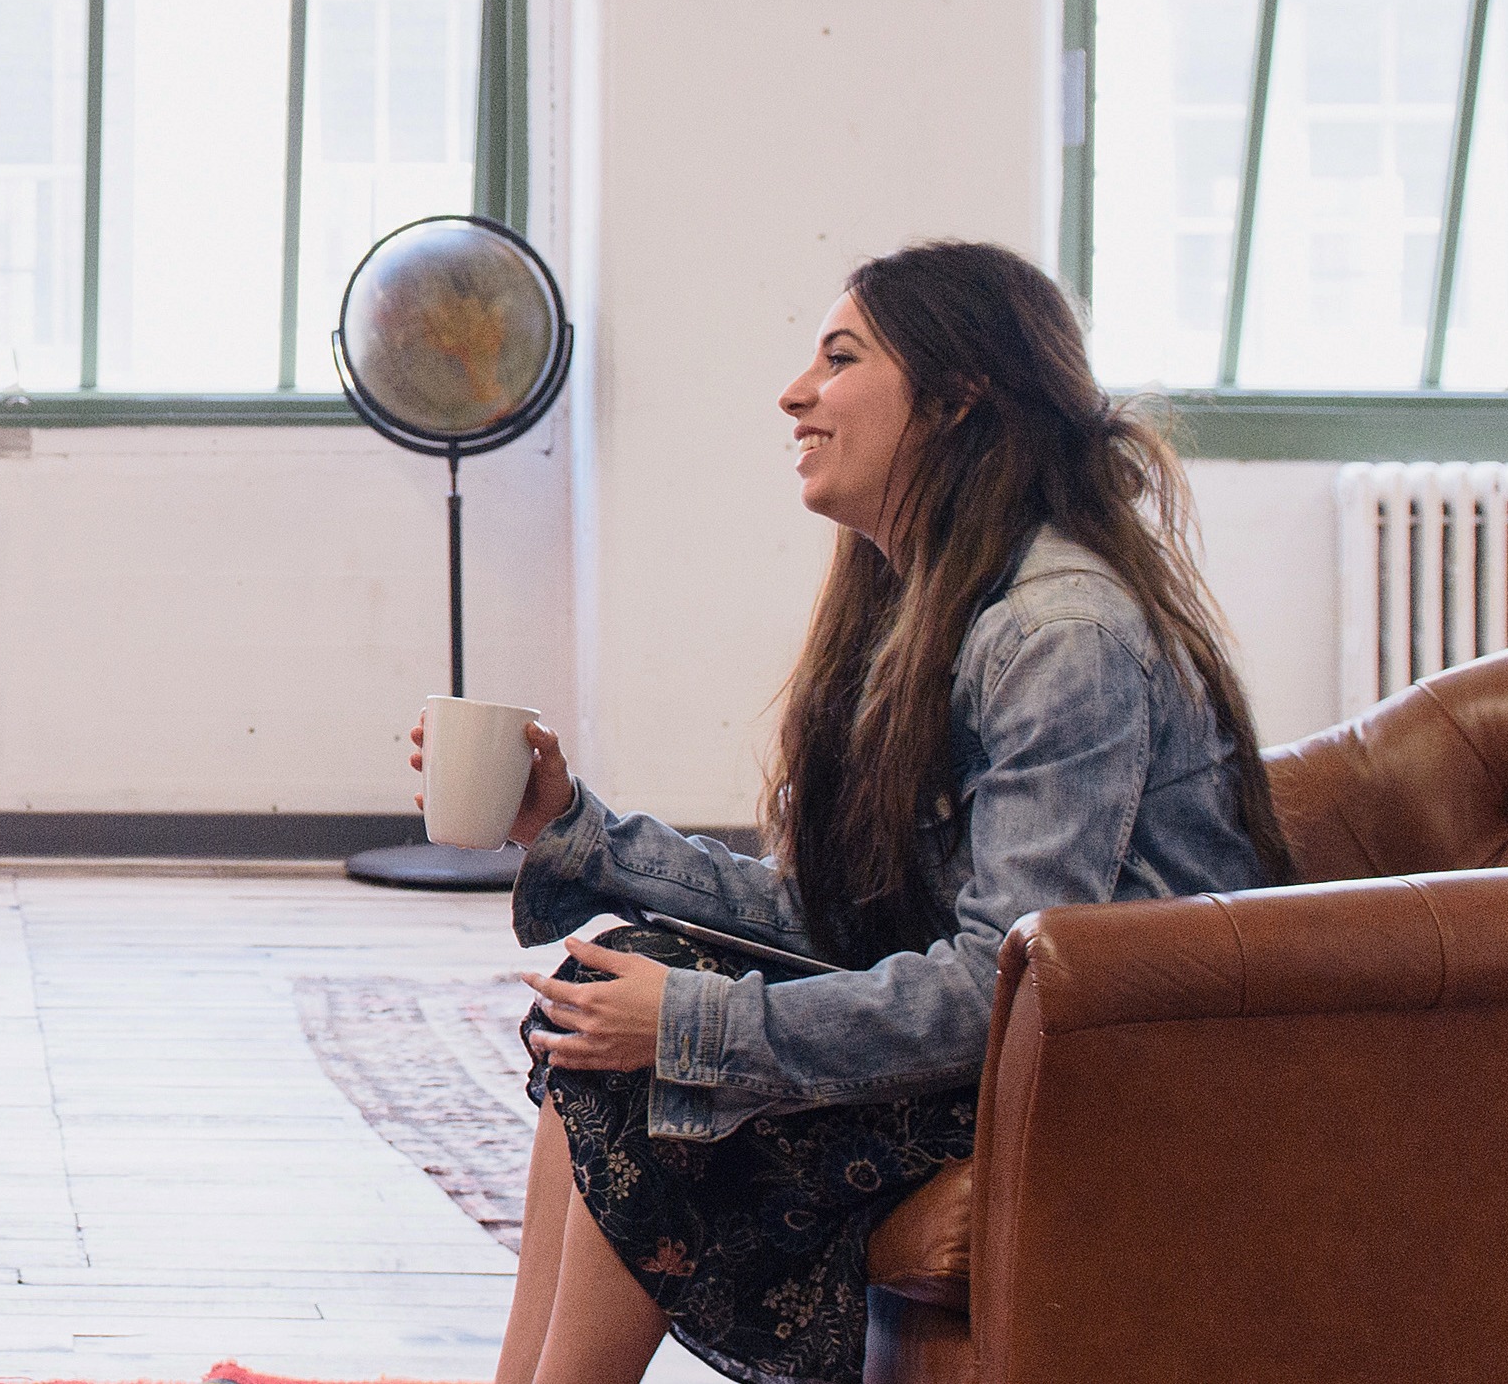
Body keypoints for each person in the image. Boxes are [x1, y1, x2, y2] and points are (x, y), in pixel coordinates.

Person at [418, 240, 1287, 1384]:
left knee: (650, 1049)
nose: (795, 393)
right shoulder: (928, 604)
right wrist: (571, 825)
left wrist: (696, 1025)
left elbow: (1003, 983)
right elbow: (845, 915)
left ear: (959, 396)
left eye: (839, 358)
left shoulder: (1060, 634)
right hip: (1017, 1055)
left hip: (1105, 1087)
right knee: (614, 981)